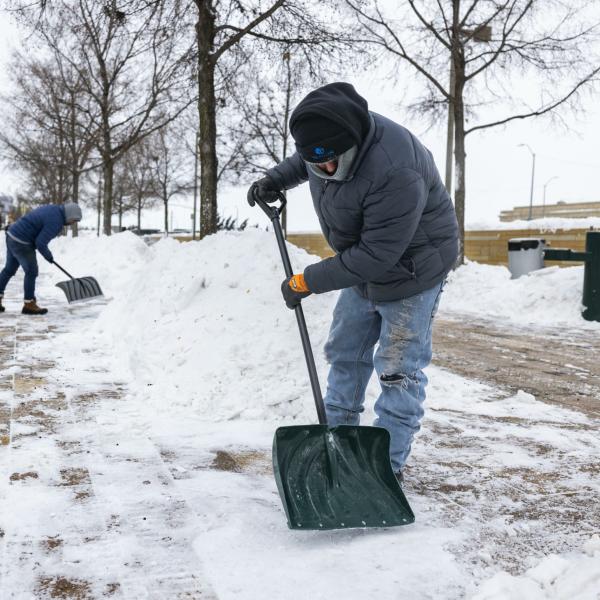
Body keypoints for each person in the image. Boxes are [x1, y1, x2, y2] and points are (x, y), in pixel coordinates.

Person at [247, 82, 459, 481]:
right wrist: (275, 179)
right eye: (316, 162)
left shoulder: (396, 169)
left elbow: (376, 256)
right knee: (345, 354)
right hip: (362, 266)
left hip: (413, 272)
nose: (324, 169)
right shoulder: (328, 143)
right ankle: (339, 446)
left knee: (398, 371)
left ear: (355, 141)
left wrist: (305, 281)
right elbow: (309, 157)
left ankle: (384, 470)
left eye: (332, 161)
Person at [0, 202, 82, 315]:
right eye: (74, 220)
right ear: (70, 215)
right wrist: (49, 256)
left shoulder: (53, 209)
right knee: (31, 272)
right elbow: (40, 243)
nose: (72, 223)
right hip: (22, 241)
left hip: (12, 234)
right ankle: (29, 304)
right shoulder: (56, 221)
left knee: (9, 270)